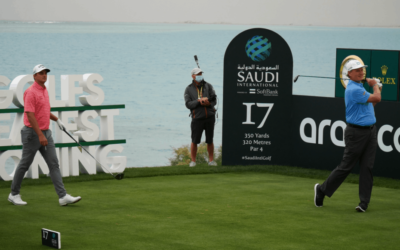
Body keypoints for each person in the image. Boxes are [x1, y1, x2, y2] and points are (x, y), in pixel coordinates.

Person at [8, 64, 81, 206]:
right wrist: (40, 135)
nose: (44, 75)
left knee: (53, 163)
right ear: (34, 76)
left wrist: (57, 119)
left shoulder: (44, 90)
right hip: (32, 134)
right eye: (41, 73)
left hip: (46, 132)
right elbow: (30, 115)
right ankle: (14, 194)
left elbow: (44, 111)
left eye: (45, 73)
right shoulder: (30, 92)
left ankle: (62, 196)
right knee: (24, 164)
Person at [314, 60, 382, 212]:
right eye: (357, 70)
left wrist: (378, 87)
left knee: (367, 168)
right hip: (356, 133)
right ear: (349, 73)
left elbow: (372, 105)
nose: (361, 72)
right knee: (346, 167)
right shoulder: (353, 89)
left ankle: (363, 203)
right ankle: (322, 190)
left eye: (362, 70)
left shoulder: (359, 86)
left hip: (370, 131)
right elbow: (377, 98)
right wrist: (375, 85)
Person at [184, 68, 217, 167]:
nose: (200, 75)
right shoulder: (188, 89)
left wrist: (208, 103)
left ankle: (211, 161)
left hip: (209, 117)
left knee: (210, 140)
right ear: (193, 76)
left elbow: (214, 100)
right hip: (197, 118)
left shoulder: (208, 86)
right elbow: (188, 104)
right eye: (198, 74)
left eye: (201, 73)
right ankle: (193, 161)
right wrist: (199, 101)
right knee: (195, 141)